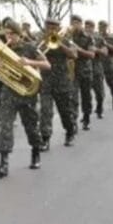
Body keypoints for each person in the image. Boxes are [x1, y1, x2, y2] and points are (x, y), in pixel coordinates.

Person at [0, 22, 50, 178]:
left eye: (12, 34)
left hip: (27, 94)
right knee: (5, 127)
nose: (9, 37)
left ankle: (35, 152)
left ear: (19, 34)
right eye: (7, 34)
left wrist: (29, 62)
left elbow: (46, 64)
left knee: (31, 127)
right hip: (8, 93)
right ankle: (3, 163)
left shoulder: (30, 48)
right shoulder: (3, 49)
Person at [38, 19, 78, 150]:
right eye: (49, 28)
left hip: (62, 82)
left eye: (54, 28)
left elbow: (73, 54)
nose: (51, 30)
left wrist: (59, 44)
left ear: (58, 28)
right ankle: (45, 139)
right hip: (46, 82)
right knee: (45, 111)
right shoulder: (41, 42)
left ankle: (70, 132)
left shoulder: (66, 41)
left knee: (65, 111)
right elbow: (34, 54)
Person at [70, 15, 95, 131]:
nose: (75, 25)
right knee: (73, 98)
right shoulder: (67, 36)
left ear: (81, 24)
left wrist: (78, 49)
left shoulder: (88, 38)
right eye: (73, 23)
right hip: (71, 72)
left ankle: (86, 118)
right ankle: (73, 122)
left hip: (85, 71)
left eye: (77, 23)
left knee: (86, 96)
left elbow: (91, 55)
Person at [86, 20, 107, 119]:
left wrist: (96, 50)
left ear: (93, 28)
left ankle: (99, 108)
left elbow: (105, 52)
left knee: (99, 93)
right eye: (86, 27)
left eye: (90, 27)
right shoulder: (79, 38)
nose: (88, 29)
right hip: (84, 71)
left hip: (96, 69)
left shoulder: (99, 38)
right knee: (85, 95)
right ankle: (87, 114)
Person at [98, 21, 113, 112]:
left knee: (112, 85)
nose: (102, 28)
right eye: (100, 26)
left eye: (104, 27)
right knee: (98, 88)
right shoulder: (96, 37)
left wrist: (106, 44)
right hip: (98, 64)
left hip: (109, 64)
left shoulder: (112, 38)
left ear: (107, 27)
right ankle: (99, 106)